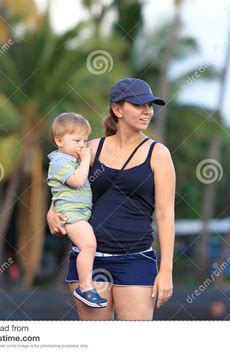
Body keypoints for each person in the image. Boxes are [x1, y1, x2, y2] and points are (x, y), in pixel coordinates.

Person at [47, 78, 175, 320]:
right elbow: (65, 183)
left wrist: (166, 269)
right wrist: (52, 210)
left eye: (150, 106)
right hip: (90, 262)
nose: (148, 111)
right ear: (118, 110)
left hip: (136, 259)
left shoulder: (158, 154)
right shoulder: (91, 148)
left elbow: (165, 214)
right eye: (139, 105)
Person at [47, 113, 107, 308]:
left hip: (80, 214)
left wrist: (84, 158)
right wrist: (85, 160)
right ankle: (86, 287)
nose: (82, 145)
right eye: (76, 140)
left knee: (88, 246)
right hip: (71, 215)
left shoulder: (71, 158)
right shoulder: (59, 161)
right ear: (59, 140)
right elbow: (77, 181)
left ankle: (86, 285)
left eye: (85, 140)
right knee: (88, 246)